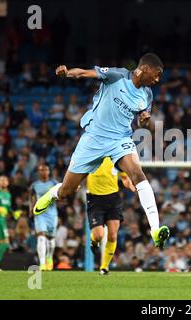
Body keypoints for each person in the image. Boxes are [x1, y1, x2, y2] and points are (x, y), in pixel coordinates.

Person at [32, 53, 170, 248]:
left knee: (138, 175)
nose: (157, 80)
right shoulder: (117, 76)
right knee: (67, 191)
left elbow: (141, 120)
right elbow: (83, 73)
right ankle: (53, 194)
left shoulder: (147, 94)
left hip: (120, 139)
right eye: (156, 75)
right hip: (94, 138)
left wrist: (143, 122)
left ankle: (155, 230)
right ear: (145, 69)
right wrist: (67, 73)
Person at [87, 157, 135, 275]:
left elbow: (124, 176)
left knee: (113, 235)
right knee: (98, 235)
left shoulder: (115, 159)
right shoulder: (90, 157)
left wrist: (128, 183)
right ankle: (93, 241)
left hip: (113, 199)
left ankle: (104, 267)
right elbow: (78, 173)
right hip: (95, 200)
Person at [0, 176, 22, 271]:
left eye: (5, 180)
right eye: (1, 180)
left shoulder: (8, 195)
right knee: (5, 242)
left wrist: (13, 213)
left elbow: (8, 207)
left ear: (7, 183)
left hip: (2, 219)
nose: (3, 182)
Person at [30, 164, 59, 271]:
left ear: (49, 171)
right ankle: (42, 263)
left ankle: (49, 257)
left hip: (52, 213)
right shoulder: (35, 185)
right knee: (41, 236)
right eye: (41, 170)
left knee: (51, 239)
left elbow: (61, 194)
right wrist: (30, 209)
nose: (44, 172)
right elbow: (32, 197)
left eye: (46, 169)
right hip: (39, 213)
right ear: (38, 172)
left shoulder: (54, 183)